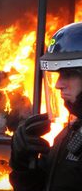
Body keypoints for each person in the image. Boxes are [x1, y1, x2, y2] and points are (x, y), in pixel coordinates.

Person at [9, 22, 82, 191]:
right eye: (57, 75)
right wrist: (24, 165)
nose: (58, 85)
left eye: (69, 74)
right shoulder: (70, 132)